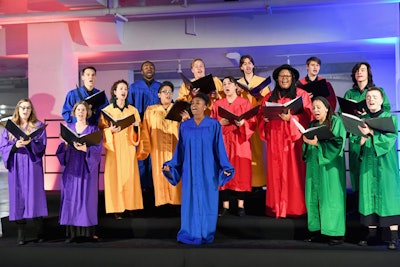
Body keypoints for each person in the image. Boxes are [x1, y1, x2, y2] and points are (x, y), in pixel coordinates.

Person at [162, 93, 234, 245]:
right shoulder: (184, 126)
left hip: (209, 171)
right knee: (190, 201)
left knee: (208, 201)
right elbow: (180, 150)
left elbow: (219, 148)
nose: (194, 105)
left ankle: (207, 232)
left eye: (198, 102)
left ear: (206, 106)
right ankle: (190, 232)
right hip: (190, 172)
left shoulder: (213, 125)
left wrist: (225, 167)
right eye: (192, 103)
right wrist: (172, 165)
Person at [258, 64, 312, 218]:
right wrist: (265, 119)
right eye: (281, 76)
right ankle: (276, 208)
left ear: (293, 78)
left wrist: (292, 118)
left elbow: (308, 118)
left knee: (294, 174)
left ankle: (294, 208)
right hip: (275, 142)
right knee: (275, 175)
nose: (284, 79)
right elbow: (261, 120)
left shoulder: (301, 95)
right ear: (277, 79)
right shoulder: (268, 97)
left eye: (287, 76)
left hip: (293, 143)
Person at [356, 87, 400, 250]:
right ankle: (371, 234)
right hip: (368, 163)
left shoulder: (390, 118)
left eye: (374, 97)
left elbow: (390, 139)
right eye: (368, 97)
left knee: (388, 197)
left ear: (382, 100)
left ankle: (393, 237)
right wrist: (359, 141)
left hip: (385, 164)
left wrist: (372, 132)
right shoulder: (362, 119)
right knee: (369, 196)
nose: (371, 99)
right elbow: (356, 140)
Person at [0, 98, 48, 245]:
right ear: (18, 109)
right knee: (18, 197)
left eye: (28, 108)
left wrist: (30, 143)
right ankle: (21, 234)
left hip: (32, 165)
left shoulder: (37, 126)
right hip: (16, 165)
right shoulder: (10, 127)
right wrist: (15, 146)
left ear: (31, 110)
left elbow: (42, 147)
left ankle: (39, 231)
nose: (25, 111)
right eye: (22, 108)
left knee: (35, 196)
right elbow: (3, 147)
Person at [340, 62, 391, 197]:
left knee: (371, 168)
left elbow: (385, 109)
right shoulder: (350, 93)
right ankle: (358, 204)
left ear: (368, 73)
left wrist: (368, 112)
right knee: (356, 168)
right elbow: (342, 114)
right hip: (355, 135)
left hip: (371, 134)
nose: (359, 73)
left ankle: (374, 201)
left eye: (362, 70)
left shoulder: (377, 91)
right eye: (356, 70)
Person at [302, 96, 347, 246]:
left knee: (331, 198)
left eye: (319, 107)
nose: (315, 110)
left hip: (330, 168)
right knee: (313, 196)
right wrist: (307, 142)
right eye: (313, 107)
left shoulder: (336, 122)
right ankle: (317, 230)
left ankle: (334, 233)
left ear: (327, 108)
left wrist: (318, 144)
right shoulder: (312, 124)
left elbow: (338, 144)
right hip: (314, 166)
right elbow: (307, 148)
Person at [56, 101, 102, 243]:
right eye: (78, 110)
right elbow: (61, 152)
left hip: (87, 169)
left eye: (83, 110)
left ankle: (88, 233)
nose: (81, 112)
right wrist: (64, 143)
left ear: (87, 113)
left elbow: (97, 150)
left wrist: (86, 149)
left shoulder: (93, 130)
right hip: (71, 168)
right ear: (74, 112)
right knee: (71, 199)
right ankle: (72, 234)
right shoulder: (68, 129)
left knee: (87, 199)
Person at [138, 81, 187, 208]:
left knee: (175, 173)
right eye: (165, 91)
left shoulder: (179, 109)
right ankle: (162, 203)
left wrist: (186, 121)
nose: (168, 94)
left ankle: (176, 203)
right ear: (159, 94)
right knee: (159, 174)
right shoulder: (151, 110)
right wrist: (146, 149)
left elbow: (185, 130)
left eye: (170, 92)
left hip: (174, 149)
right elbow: (145, 130)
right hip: (157, 149)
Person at [211, 76, 256, 217]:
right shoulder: (217, 104)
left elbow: (252, 122)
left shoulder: (245, 103)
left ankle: (241, 206)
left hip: (240, 141)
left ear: (236, 86)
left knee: (241, 172)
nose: (227, 86)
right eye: (224, 84)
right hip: (223, 142)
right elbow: (211, 125)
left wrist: (243, 124)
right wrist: (220, 123)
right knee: (223, 171)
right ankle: (225, 206)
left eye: (229, 83)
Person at [99, 80, 143, 219]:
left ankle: (130, 206)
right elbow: (101, 129)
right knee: (115, 177)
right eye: (121, 88)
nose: (124, 91)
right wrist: (109, 130)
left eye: (125, 89)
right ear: (115, 92)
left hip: (128, 146)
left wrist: (136, 126)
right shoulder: (107, 111)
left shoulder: (133, 110)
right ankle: (116, 208)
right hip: (114, 148)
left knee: (130, 176)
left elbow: (138, 130)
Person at [128, 61, 161, 192]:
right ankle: (141, 188)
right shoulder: (134, 87)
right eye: (146, 67)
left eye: (151, 66)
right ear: (141, 71)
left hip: (156, 129)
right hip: (140, 128)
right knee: (141, 157)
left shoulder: (160, 87)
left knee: (154, 157)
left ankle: (155, 188)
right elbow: (129, 108)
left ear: (154, 70)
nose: (149, 68)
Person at [237, 55, 270, 189]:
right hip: (244, 122)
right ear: (241, 67)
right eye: (244, 64)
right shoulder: (238, 83)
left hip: (258, 120)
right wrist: (237, 93)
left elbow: (268, 101)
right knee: (245, 152)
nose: (248, 66)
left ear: (253, 65)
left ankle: (261, 182)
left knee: (259, 151)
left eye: (250, 63)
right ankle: (246, 182)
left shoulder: (261, 81)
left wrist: (261, 94)